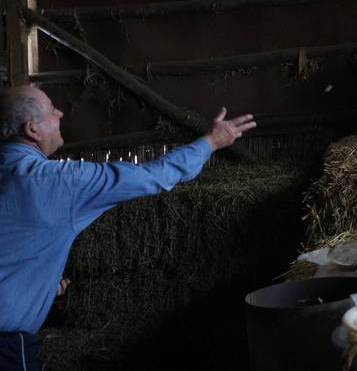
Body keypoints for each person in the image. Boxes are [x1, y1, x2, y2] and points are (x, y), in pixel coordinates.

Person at [0, 85, 256, 370]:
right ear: (32, 130)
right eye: (51, 110)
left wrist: (38, 284)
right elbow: (154, 176)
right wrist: (211, 142)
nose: (60, 112)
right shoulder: (55, 181)